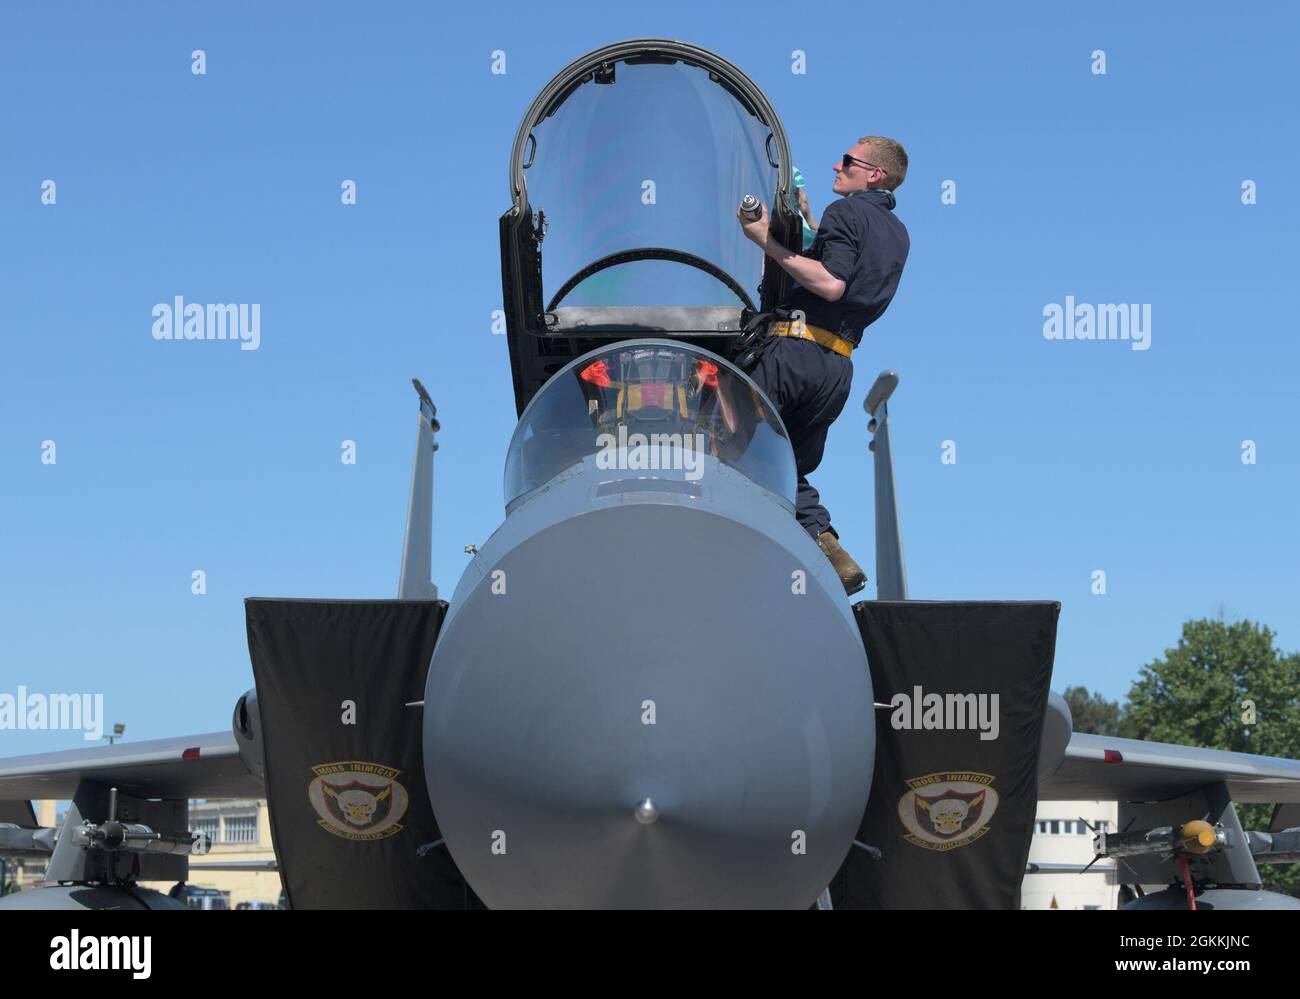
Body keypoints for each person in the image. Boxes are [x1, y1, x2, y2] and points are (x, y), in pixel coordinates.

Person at [736, 135, 910, 594]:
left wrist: (764, 241)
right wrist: (810, 220)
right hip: (836, 368)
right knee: (787, 465)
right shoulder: (895, 231)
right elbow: (846, 269)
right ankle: (824, 541)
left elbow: (832, 284)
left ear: (874, 173)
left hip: (796, 352)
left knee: (720, 431)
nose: (837, 164)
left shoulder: (847, 212)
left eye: (848, 161)